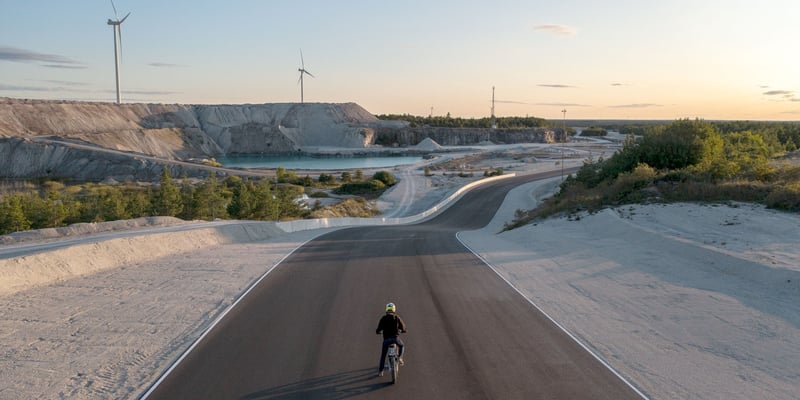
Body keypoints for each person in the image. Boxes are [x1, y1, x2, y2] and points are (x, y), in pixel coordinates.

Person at [376, 302, 406, 377]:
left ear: (386, 310)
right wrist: (403, 330)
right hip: (395, 339)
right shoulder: (396, 317)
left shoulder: (383, 318)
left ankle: (380, 371)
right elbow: (403, 327)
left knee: (383, 355)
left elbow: (378, 329)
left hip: (386, 340)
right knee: (402, 346)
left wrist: (378, 331)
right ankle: (399, 358)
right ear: (394, 309)